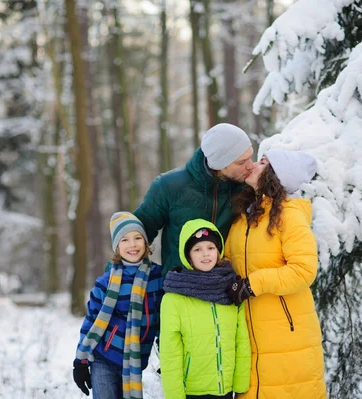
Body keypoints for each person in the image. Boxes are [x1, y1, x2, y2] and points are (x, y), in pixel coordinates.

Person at [225, 150, 326, 398]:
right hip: (249, 335)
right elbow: (228, 260)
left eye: (262, 163)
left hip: (287, 337)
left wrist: (252, 284)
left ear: (276, 175)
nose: (253, 165)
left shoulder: (290, 216)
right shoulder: (244, 218)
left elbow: (303, 270)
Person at [134, 123, 255, 276]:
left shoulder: (246, 187)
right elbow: (134, 236)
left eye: (250, 157)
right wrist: (116, 281)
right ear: (219, 164)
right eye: (241, 162)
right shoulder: (169, 186)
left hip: (225, 291)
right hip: (178, 292)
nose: (251, 166)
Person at [72, 212, 164, 399]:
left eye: (138, 238)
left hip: (135, 361)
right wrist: (80, 361)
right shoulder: (105, 283)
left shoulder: (158, 278)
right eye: (125, 240)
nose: (132, 245)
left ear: (146, 242)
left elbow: (164, 321)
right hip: (104, 358)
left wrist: (167, 355)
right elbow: (91, 321)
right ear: (116, 247)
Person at [160, 219, 251, 398]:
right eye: (197, 249)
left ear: (219, 251)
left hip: (226, 389)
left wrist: (240, 384)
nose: (205, 254)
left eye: (210, 248)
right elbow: (170, 352)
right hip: (193, 391)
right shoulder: (174, 298)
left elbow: (242, 340)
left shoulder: (231, 289)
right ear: (188, 256)